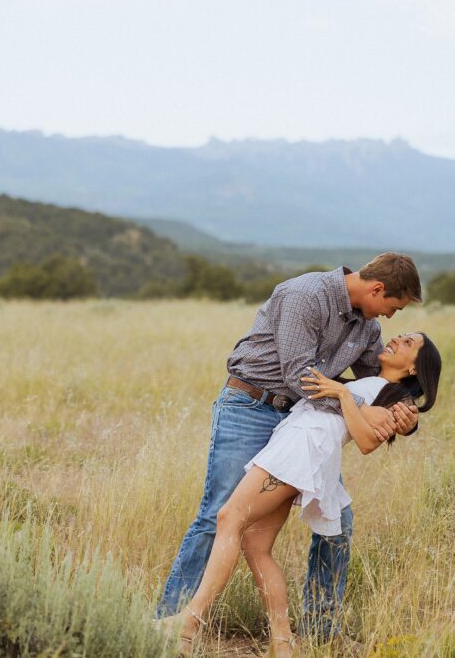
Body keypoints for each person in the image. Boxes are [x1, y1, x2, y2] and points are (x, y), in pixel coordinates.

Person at [156, 253, 423, 638]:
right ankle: (171, 620)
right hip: (252, 406)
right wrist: (358, 406)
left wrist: (406, 417)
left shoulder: (366, 328)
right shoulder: (306, 295)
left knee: (337, 523)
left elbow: (381, 385)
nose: (390, 318)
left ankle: (320, 630)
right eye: (392, 307)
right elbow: (300, 378)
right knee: (219, 512)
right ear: (376, 289)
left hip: (303, 426)